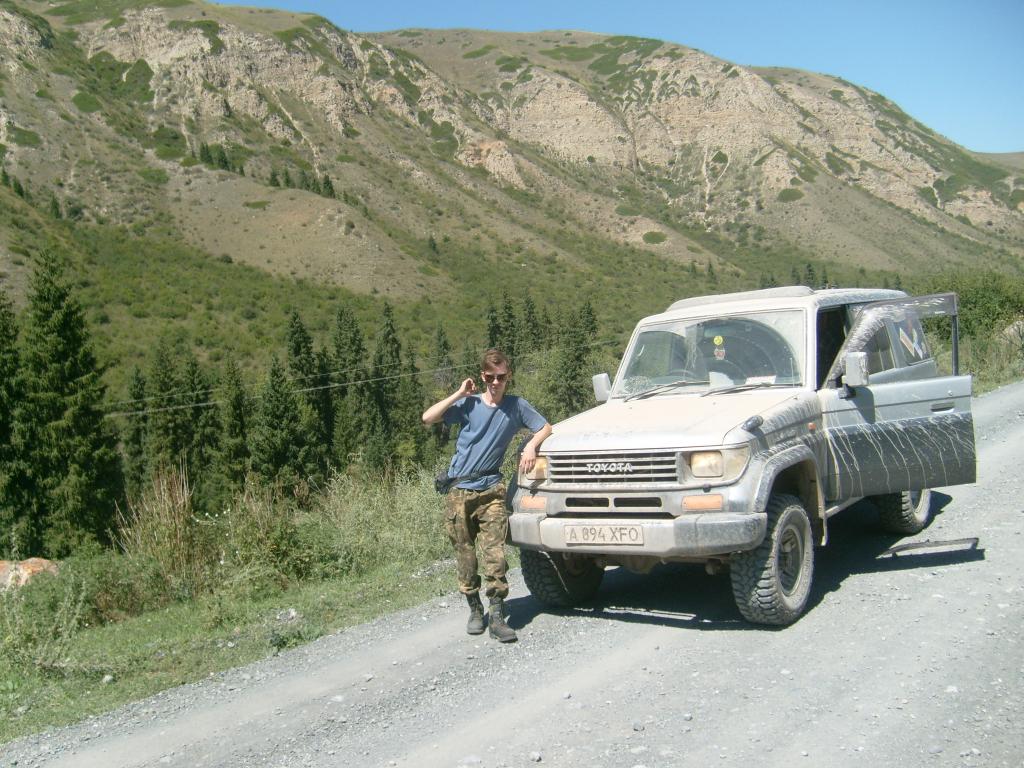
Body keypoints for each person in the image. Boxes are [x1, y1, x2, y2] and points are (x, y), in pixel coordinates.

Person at [422, 348, 551, 643]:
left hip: (491, 489)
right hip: (459, 490)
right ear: (482, 376)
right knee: (465, 556)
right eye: (490, 377)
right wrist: (458, 393)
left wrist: (531, 445)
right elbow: (428, 418)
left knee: (495, 554)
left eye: (501, 377)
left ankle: (497, 616)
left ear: (509, 376)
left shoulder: (516, 406)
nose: (496, 382)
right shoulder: (468, 405)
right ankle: (475, 609)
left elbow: (545, 426)